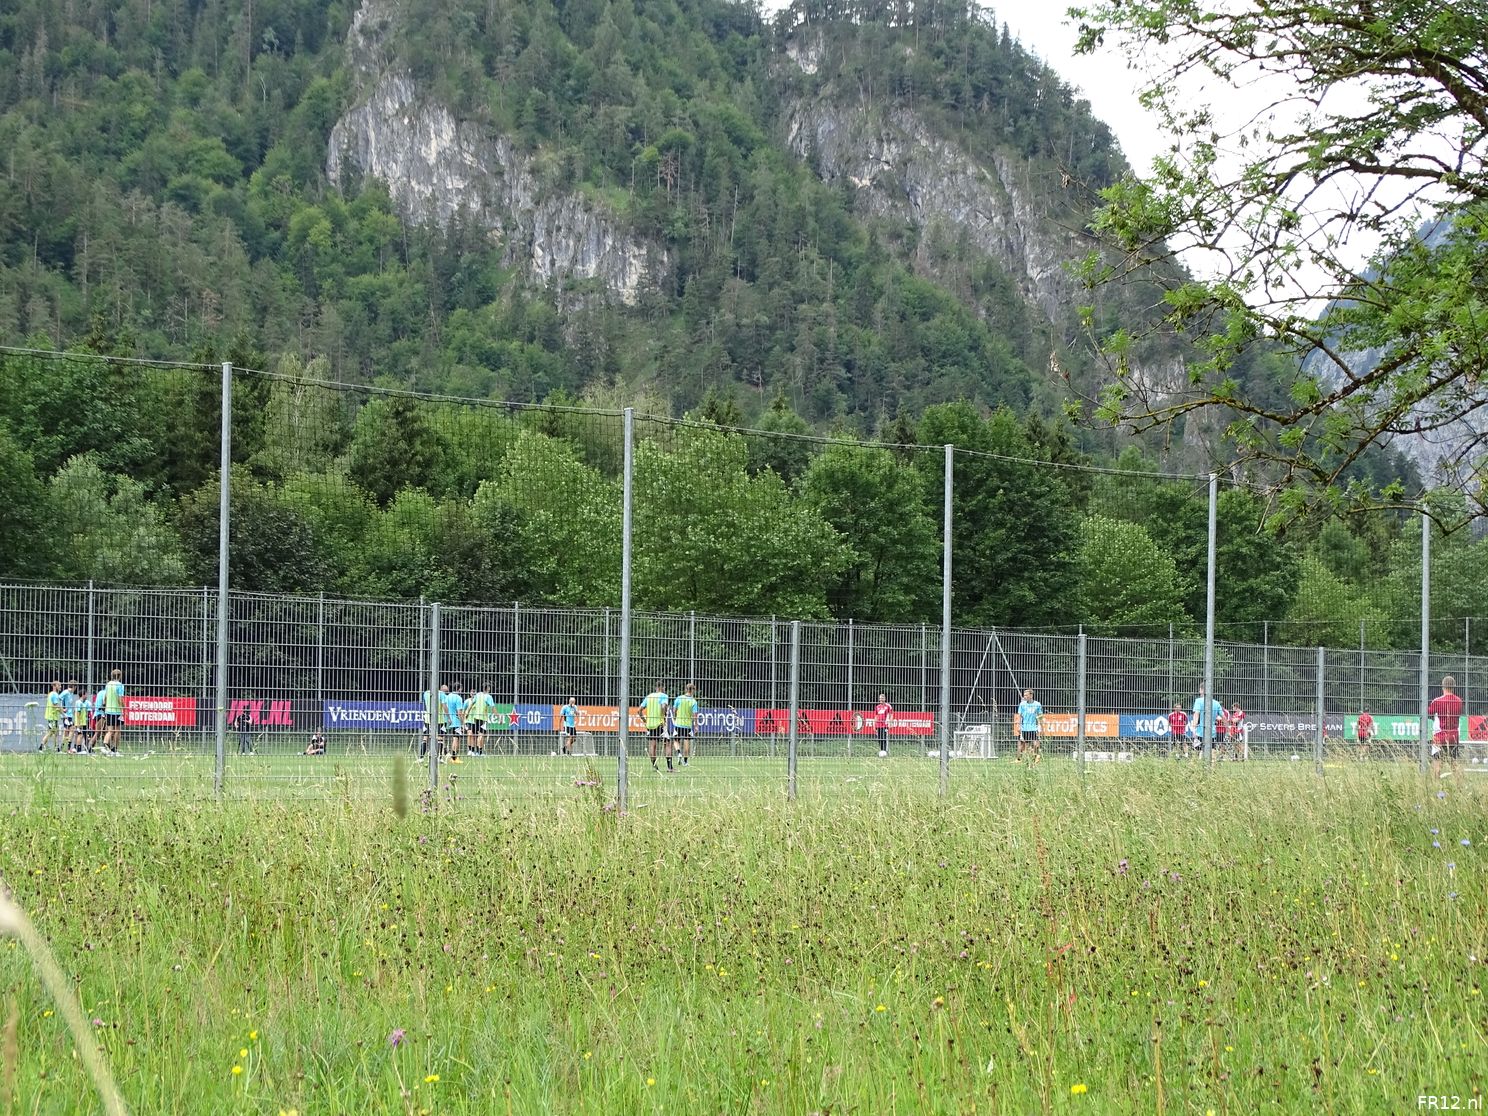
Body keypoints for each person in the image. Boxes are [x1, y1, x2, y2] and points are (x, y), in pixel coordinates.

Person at [1429, 675, 1465, 779]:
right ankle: (1459, 785)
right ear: (1454, 686)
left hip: (1439, 736)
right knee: (1454, 763)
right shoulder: (1459, 701)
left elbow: (1429, 713)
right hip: (1454, 736)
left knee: (1437, 763)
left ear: (1442, 686)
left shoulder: (1437, 701)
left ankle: (1436, 785)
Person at [643, 682, 671, 771]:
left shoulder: (649, 697)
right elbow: (663, 706)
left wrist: (644, 720)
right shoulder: (663, 696)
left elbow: (639, 710)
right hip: (660, 724)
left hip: (650, 724)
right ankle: (670, 767)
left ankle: (655, 767)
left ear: (656, 687)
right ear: (662, 687)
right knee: (667, 743)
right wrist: (663, 716)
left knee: (652, 745)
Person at [420, 684, 450, 758]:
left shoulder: (426, 693)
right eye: (446, 692)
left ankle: (421, 757)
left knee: (425, 737)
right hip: (439, 719)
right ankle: (439, 757)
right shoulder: (441, 694)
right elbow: (444, 706)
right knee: (440, 738)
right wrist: (448, 717)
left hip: (428, 718)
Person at [1191, 687, 1222, 758]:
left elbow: (1196, 714)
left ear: (1202, 690)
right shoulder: (1215, 702)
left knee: (1198, 749)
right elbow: (1221, 717)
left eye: (1200, 689)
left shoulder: (1198, 701)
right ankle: (1212, 765)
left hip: (1201, 730)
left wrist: (1194, 726)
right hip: (1211, 730)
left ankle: (1196, 764)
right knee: (1212, 748)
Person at [101, 669, 125, 754]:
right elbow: (120, 698)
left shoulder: (108, 684)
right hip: (117, 711)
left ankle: (104, 745)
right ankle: (115, 749)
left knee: (110, 731)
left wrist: (105, 704)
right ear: (120, 676)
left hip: (108, 710)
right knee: (117, 731)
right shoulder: (120, 685)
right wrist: (123, 707)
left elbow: (105, 697)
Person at [673, 683, 698, 766]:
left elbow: (674, 710)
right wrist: (696, 726)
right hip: (687, 725)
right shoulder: (693, 701)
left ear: (686, 689)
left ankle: (679, 753)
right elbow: (695, 715)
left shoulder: (679, 698)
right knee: (687, 742)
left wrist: (675, 717)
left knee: (676, 740)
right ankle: (686, 761)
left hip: (678, 724)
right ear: (693, 690)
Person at [1015, 689, 1042, 763]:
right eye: (1024, 695)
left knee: (1036, 744)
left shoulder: (1037, 704)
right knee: (1021, 744)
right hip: (1024, 728)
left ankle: (1036, 756)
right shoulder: (1022, 704)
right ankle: (1018, 759)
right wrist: (1019, 725)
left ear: (1031, 695)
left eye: (1026, 695)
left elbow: (1040, 716)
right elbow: (1020, 716)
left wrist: (1040, 726)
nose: (1025, 697)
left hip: (1033, 728)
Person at [466, 685, 492, 757]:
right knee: (480, 735)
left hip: (475, 718)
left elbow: (471, 705)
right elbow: (492, 706)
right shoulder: (488, 696)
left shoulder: (477, 695)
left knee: (477, 735)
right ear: (488, 688)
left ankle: (477, 751)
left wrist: (467, 712)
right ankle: (477, 752)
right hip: (482, 718)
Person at [443, 684, 465, 763]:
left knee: (443, 737)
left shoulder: (447, 696)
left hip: (446, 719)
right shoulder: (458, 698)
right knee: (456, 738)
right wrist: (463, 723)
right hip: (456, 721)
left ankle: (445, 752)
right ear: (459, 689)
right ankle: (454, 757)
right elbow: (459, 712)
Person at [40, 680, 64, 752]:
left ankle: (57, 748)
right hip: (52, 716)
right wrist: (63, 714)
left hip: (52, 716)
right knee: (51, 732)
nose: (60, 687)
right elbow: (56, 706)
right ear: (54, 686)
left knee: (55, 732)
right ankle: (41, 746)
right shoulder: (54, 695)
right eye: (59, 685)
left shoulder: (51, 694)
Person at [874, 693, 893, 757]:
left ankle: (884, 751)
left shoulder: (888, 706)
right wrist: (874, 725)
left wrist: (890, 723)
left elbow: (891, 715)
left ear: (885, 699)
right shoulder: (877, 707)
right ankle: (882, 751)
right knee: (879, 739)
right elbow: (876, 716)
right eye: (880, 698)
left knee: (884, 738)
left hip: (885, 725)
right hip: (878, 725)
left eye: (882, 698)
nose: (881, 699)